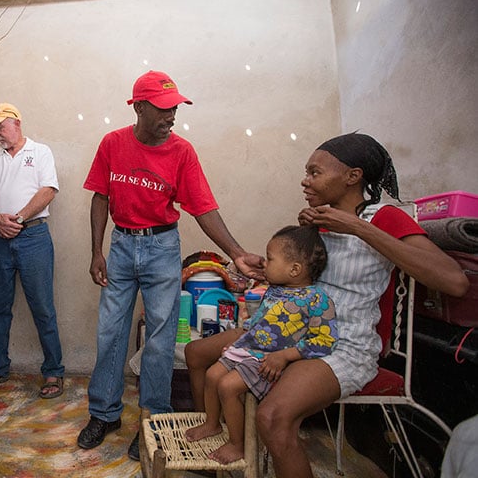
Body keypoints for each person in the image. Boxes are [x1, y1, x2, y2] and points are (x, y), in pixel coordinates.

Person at [184, 132, 469, 477]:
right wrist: (271, 270)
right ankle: (216, 434)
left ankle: (239, 440)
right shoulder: (320, 220)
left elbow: (454, 281)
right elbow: (305, 278)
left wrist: (359, 229)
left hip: (341, 344)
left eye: (315, 172)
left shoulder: (385, 218)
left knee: (273, 418)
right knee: (196, 353)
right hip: (290, 327)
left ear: (353, 176)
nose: (306, 181)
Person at [77, 70, 265, 461]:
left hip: (162, 245)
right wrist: (97, 251)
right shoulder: (112, 144)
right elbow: (99, 197)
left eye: (175, 108)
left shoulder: (182, 152)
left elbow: (203, 209)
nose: (171, 116)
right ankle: (105, 413)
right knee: (109, 331)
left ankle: (154, 416)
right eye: (163, 109)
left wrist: (237, 251)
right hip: (122, 245)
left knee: (160, 338)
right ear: (139, 107)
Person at [185, 225, 338, 465]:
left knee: (227, 386)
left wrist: (286, 356)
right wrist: (239, 343)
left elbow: (325, 341)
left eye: (270, 259)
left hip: (269, 359)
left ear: (295, 269)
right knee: (213, 375)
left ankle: (238, 445)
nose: (265, 264)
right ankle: (212, 424)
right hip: (249, 349)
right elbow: (258, 324)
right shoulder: (274, 291)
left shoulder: (317, 299)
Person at [0, 102, 65, 399]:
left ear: (17, 123)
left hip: (33, 236)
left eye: (1, 126)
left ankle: (53, 371)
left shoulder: (40, 152)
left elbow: (48, 190)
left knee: (42, 307)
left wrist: (19, 218)